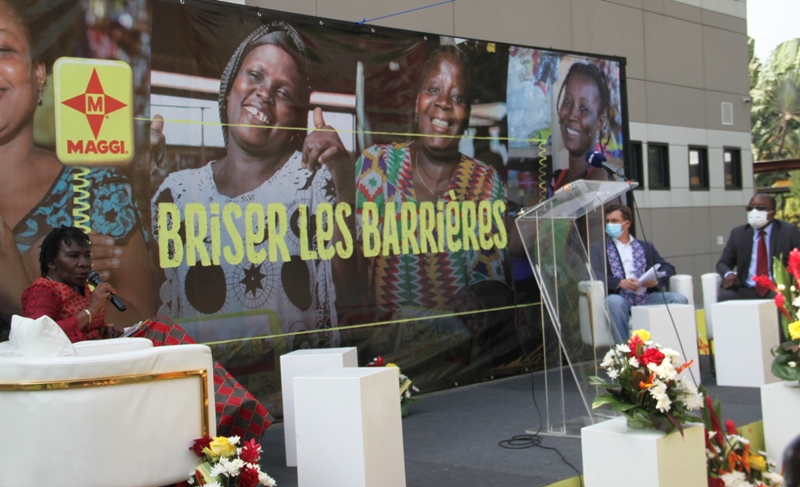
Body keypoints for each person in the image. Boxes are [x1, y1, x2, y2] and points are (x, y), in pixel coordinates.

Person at [151, 22, 354, 344]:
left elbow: (348, 294)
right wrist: (130, 181)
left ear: (295, 119)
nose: (264, 93)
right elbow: (148, 304)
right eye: (255, 76)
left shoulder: (313, 184)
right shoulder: (176, 193)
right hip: (209, 390)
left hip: (294, 385)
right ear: (229, 89)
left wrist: (344, 183)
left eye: (283, 91)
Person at [20, 226, 272, 442]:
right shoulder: (43, 289)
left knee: (163, 332)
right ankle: (226, 409)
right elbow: (40, 336)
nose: (84, 263)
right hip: (79, 374)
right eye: (73, 256)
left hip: (101, 358)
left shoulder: (83, 289)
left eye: (87, 255)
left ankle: (227, 409)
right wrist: (91, 310)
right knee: (160, 330)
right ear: (52, 261)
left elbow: (87, 333)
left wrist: (106, 331)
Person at [0, 0, 158, 340]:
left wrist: (36, 286)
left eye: (2, 49)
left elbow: (143, 327)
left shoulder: (98, 189)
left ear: (38, 72)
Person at [354, 45, 510, 333]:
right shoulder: (375, 166)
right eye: (434, 89)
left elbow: (491, 274)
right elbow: (349, 268)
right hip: (380, 357)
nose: (443, 103)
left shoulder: (483, 183)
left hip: (454, 359)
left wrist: (475, 298)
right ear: (417, 104)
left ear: (467, 116)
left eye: (457, 96)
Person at [590, 204, 688, 344]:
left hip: (646, 296)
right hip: (619, 297)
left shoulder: (645, 246)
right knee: (614, 302)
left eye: (614, 221)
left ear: (627, 223)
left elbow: (668, 268)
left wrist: (655, 281)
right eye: (607, 221)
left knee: (679, 299)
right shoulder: (598, 248)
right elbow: (591, 274)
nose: (609, 225)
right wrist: (619, 282)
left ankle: (675, 346)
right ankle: (625, 353)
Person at [716, 193, 800, 301]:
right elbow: (723, 263)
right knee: (724, 297)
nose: (754, 212)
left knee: (784, 301)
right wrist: (729, 274)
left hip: (778, 289)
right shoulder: (738, 233)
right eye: (750, 208)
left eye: (761, 208)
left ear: (772, 213)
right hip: (747, 289)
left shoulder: (788, 231)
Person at [547, 61, 612, 196]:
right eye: (568, 102)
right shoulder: (559, 178)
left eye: (584, 108)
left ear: (599, 122)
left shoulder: (598, 180)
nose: (572, 115)